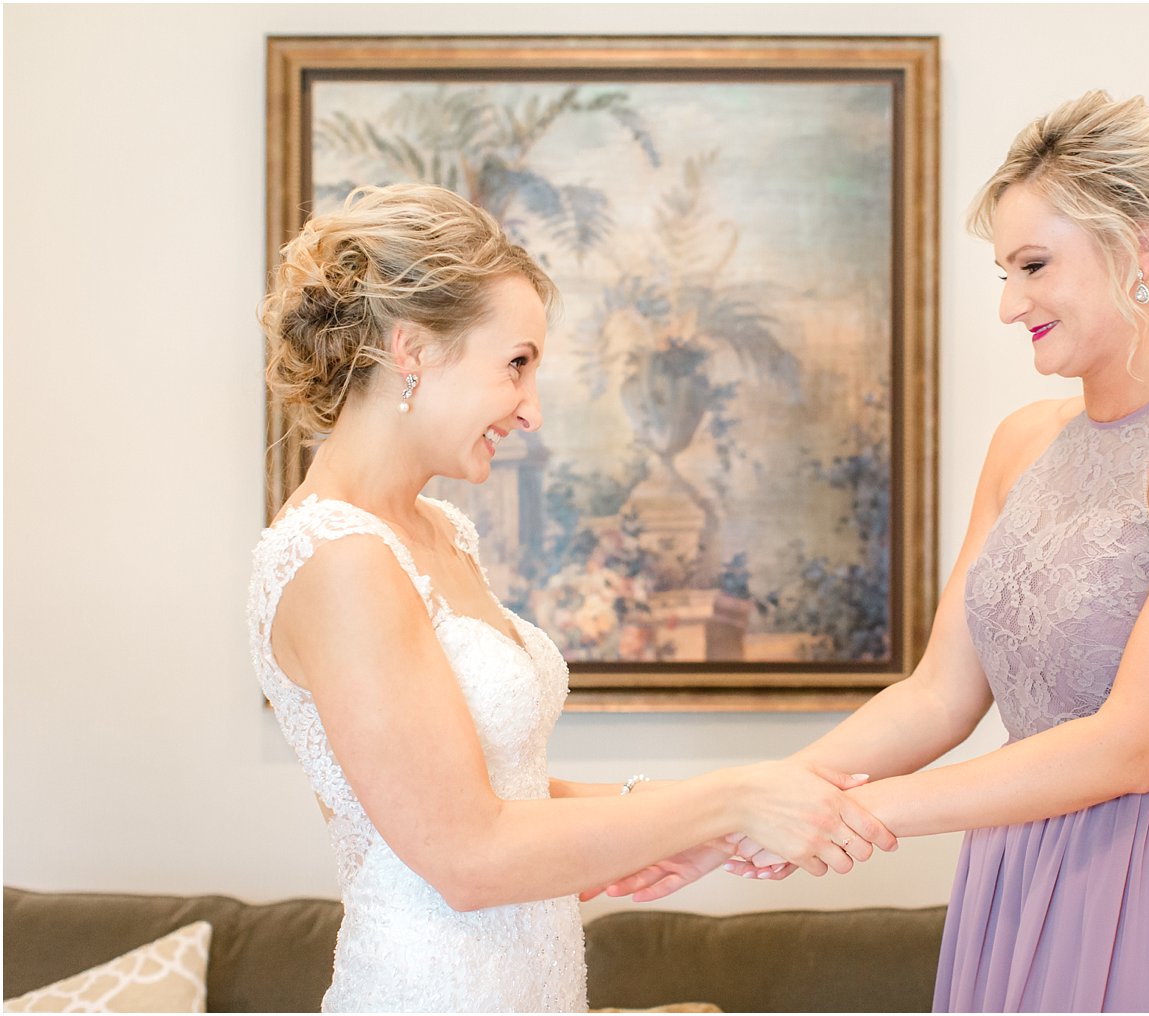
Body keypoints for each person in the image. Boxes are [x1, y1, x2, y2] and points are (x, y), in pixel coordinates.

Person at [591, 91, 1149, 1013]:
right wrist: (743, 815)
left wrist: (843, 816)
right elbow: (937, 694)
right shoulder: (1023, 442)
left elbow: (1131, 746)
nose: (1011, 305)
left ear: (1138, 247)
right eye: (1005, 272)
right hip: (1011, 860)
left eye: (1035, 266)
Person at [247, 182, 895, 1013]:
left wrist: (712, 812)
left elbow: (500, 793)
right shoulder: (336, 557)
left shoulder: (441, 532)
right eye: (516, 364)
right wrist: (734, 797)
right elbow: (468, 855)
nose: (532, 409)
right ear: (412, 350)